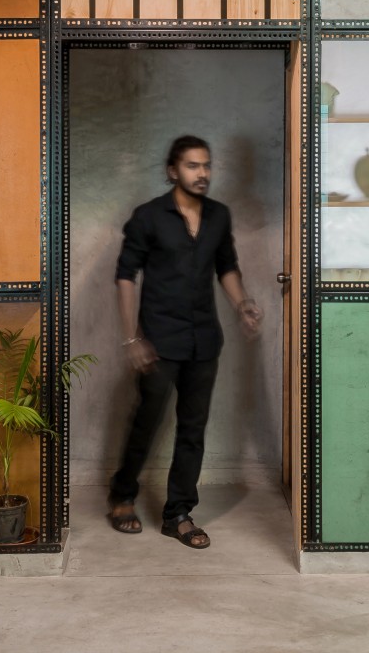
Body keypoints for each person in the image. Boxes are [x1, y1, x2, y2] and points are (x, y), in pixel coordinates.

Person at [108, 135, 262, 549]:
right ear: (173, 170)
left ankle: (178, 513)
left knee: (193, 430)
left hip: (204, 341)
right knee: (148, 421)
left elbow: (226, 267)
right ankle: (122, 495)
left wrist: (242, 303)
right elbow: (126, 276)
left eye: (207, 165)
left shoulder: (218, 216)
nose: (203, 174)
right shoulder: (148, 217)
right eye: (193, 166)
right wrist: (131, 337)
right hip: (158, 341)